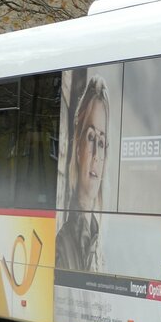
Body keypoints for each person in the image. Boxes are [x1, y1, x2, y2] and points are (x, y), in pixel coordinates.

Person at [55, 75, 110, 273]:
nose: (96, 154)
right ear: (78, 147)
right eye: (90, 137)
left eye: (101, 142)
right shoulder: (62, 245)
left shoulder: (99, 247)